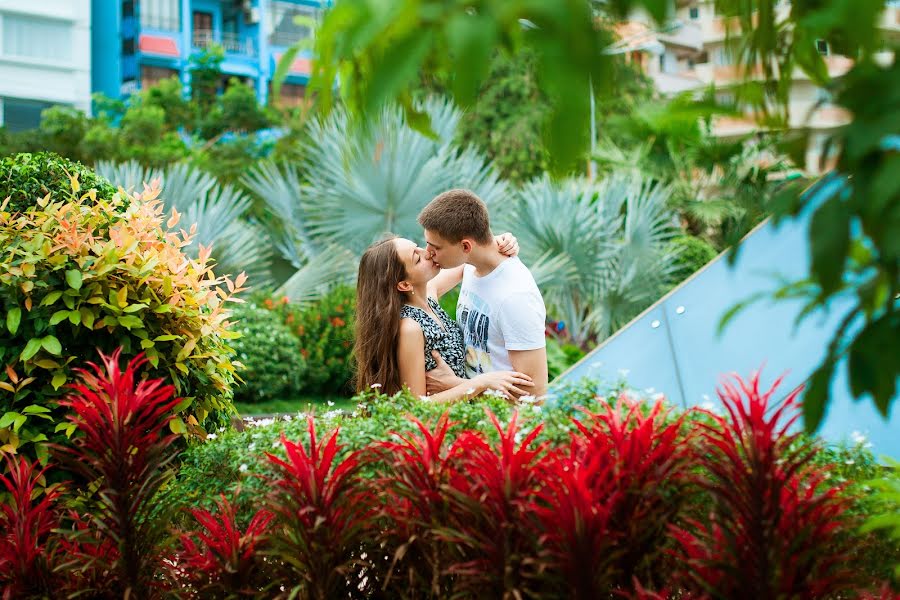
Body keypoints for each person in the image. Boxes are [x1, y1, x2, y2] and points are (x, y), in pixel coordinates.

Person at [354, 235, 534, 403]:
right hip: (440, 428)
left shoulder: (428, 298)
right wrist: (480, 383)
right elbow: (417, 405)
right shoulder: (410, 328)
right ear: (405, 284)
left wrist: (501, 240)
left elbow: (469, 258)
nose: (428, 253)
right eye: (417, 259)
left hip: (464, 414)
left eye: (418, 247)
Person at [418, 189, 549, 398]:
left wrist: (454, 385)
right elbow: (425, 291)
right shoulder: (469, 265)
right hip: (470, 415)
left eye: (435, 247)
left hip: (500, 426)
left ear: (466, 246)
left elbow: (533, 394)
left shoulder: (516, 297)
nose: (428, 253)